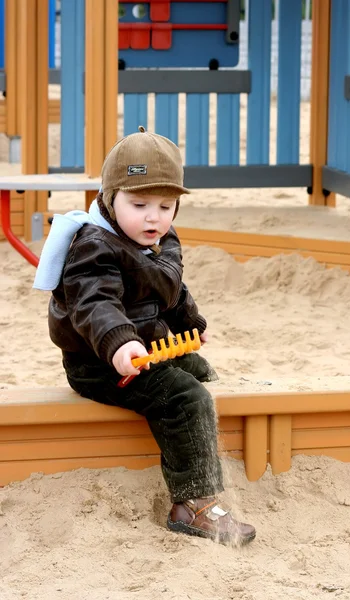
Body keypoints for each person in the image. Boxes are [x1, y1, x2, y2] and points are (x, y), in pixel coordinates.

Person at [34, 127, 256, 545]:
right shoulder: (94, 246)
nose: (153, 217)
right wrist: (119, 342)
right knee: (186, 397)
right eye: (139, 204)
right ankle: (193, 504)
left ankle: (194, 442)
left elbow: (171, 287)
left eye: (166, 206)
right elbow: (94, 303)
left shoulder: (159, 237)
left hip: (147, 345)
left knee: (197, 369)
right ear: (109, 197)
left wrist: (193, 326)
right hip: (100, 361)